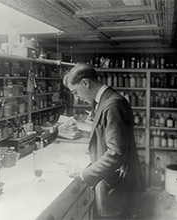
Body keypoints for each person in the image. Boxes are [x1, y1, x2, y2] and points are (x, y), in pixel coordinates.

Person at [63, 63, 145, 220]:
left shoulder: (113, 104)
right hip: (113, 181)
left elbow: (115, 154)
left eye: (75, 92)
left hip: (117, 188)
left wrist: (85, 173)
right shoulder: (104, 100)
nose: (76, 97)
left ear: (85, 83)